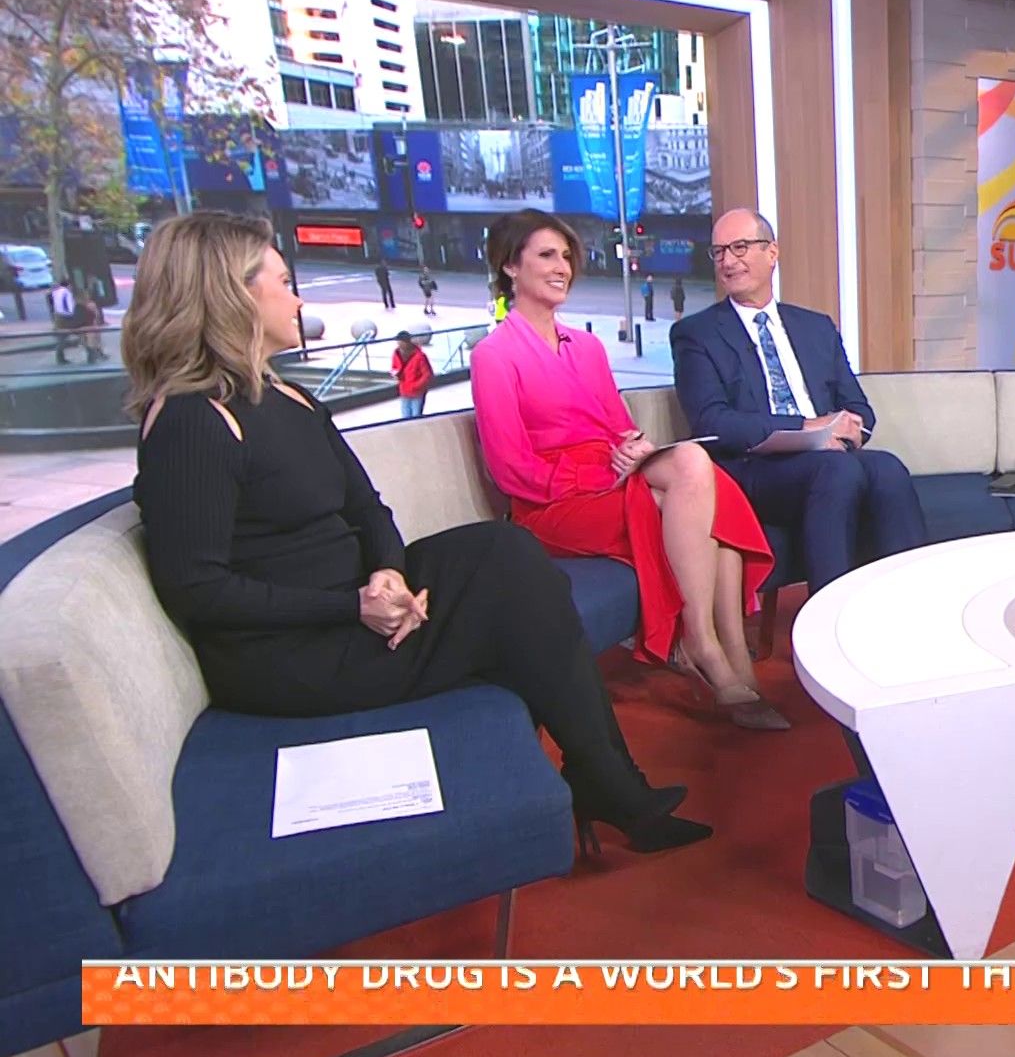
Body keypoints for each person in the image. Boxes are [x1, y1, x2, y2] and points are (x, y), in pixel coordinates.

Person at [122, 211, 708, 854]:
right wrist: (352, 605)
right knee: (518, 599)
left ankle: (602, 777)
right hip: (294, 652)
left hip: (360, 605)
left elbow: (368, 508)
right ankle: (608, 785)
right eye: (285, 283)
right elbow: (197, 589)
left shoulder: (289, 398)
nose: (299, 299)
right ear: (230, 294)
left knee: (506, 550)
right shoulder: (190, 421)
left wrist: (389, 573)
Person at [472, 209, 786, 731]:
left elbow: (619, 427)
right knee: (696, 488)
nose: (562, 267)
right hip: (551, 505)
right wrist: (602, 475)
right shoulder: (494, 355)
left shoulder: (587, 347)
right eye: (547, 256)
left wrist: (634, 449)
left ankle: (728, 649)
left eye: (567, 256)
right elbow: (511, 471)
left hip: (609, 480)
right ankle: (705, 645)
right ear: (510, 266)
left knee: (701, 476)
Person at [671, 208, 928, 593]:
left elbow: (859, 408)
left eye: (739, 247)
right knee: (837, 471)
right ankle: (826, 617)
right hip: (753, 469)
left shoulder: (815, 326)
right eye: (719, 251)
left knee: (887, 468)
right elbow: (712, 423)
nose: (728, 261)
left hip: (828, 457)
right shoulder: (697, 334)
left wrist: (846, 431)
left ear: (772, 252)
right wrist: (806, 428)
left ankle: (909, 601)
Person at [391, 330, 433, 418]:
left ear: (407, 342)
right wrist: (395, 374)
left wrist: (416, 386)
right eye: (398, 343)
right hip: (404, 390)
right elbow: (394, 367)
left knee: (416, 416)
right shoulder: (396, 354)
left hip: (417, 393)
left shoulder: (420, 356)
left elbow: (427, 374)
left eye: (401, 342)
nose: (399, 345)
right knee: (405, 416)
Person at [49, 277, 77, 364]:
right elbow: (68, 307)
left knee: (62, 339)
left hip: (60, 318)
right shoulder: (65, 293)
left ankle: (60, 358)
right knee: (62, 339)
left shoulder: (56, 292)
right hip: (64, 319)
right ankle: (60, 358)